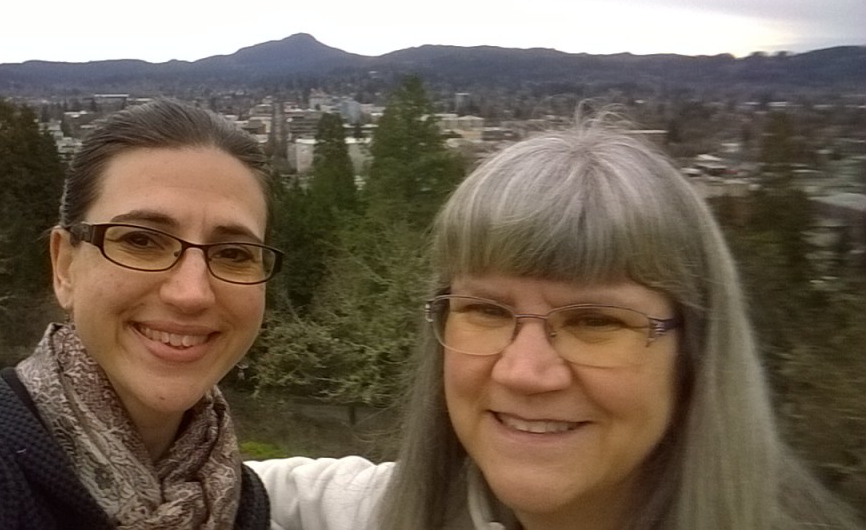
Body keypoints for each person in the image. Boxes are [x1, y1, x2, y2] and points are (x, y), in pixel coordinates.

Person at [249, 116, 861, 529]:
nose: (525, 372)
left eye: (596, 320)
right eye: (486, 310)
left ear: (695, 352)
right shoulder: (385, 513)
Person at [0, 99, 282, 529]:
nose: (191, 294)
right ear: (65, 266)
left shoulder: (232, 499)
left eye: (233, 253)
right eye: (141, 241)